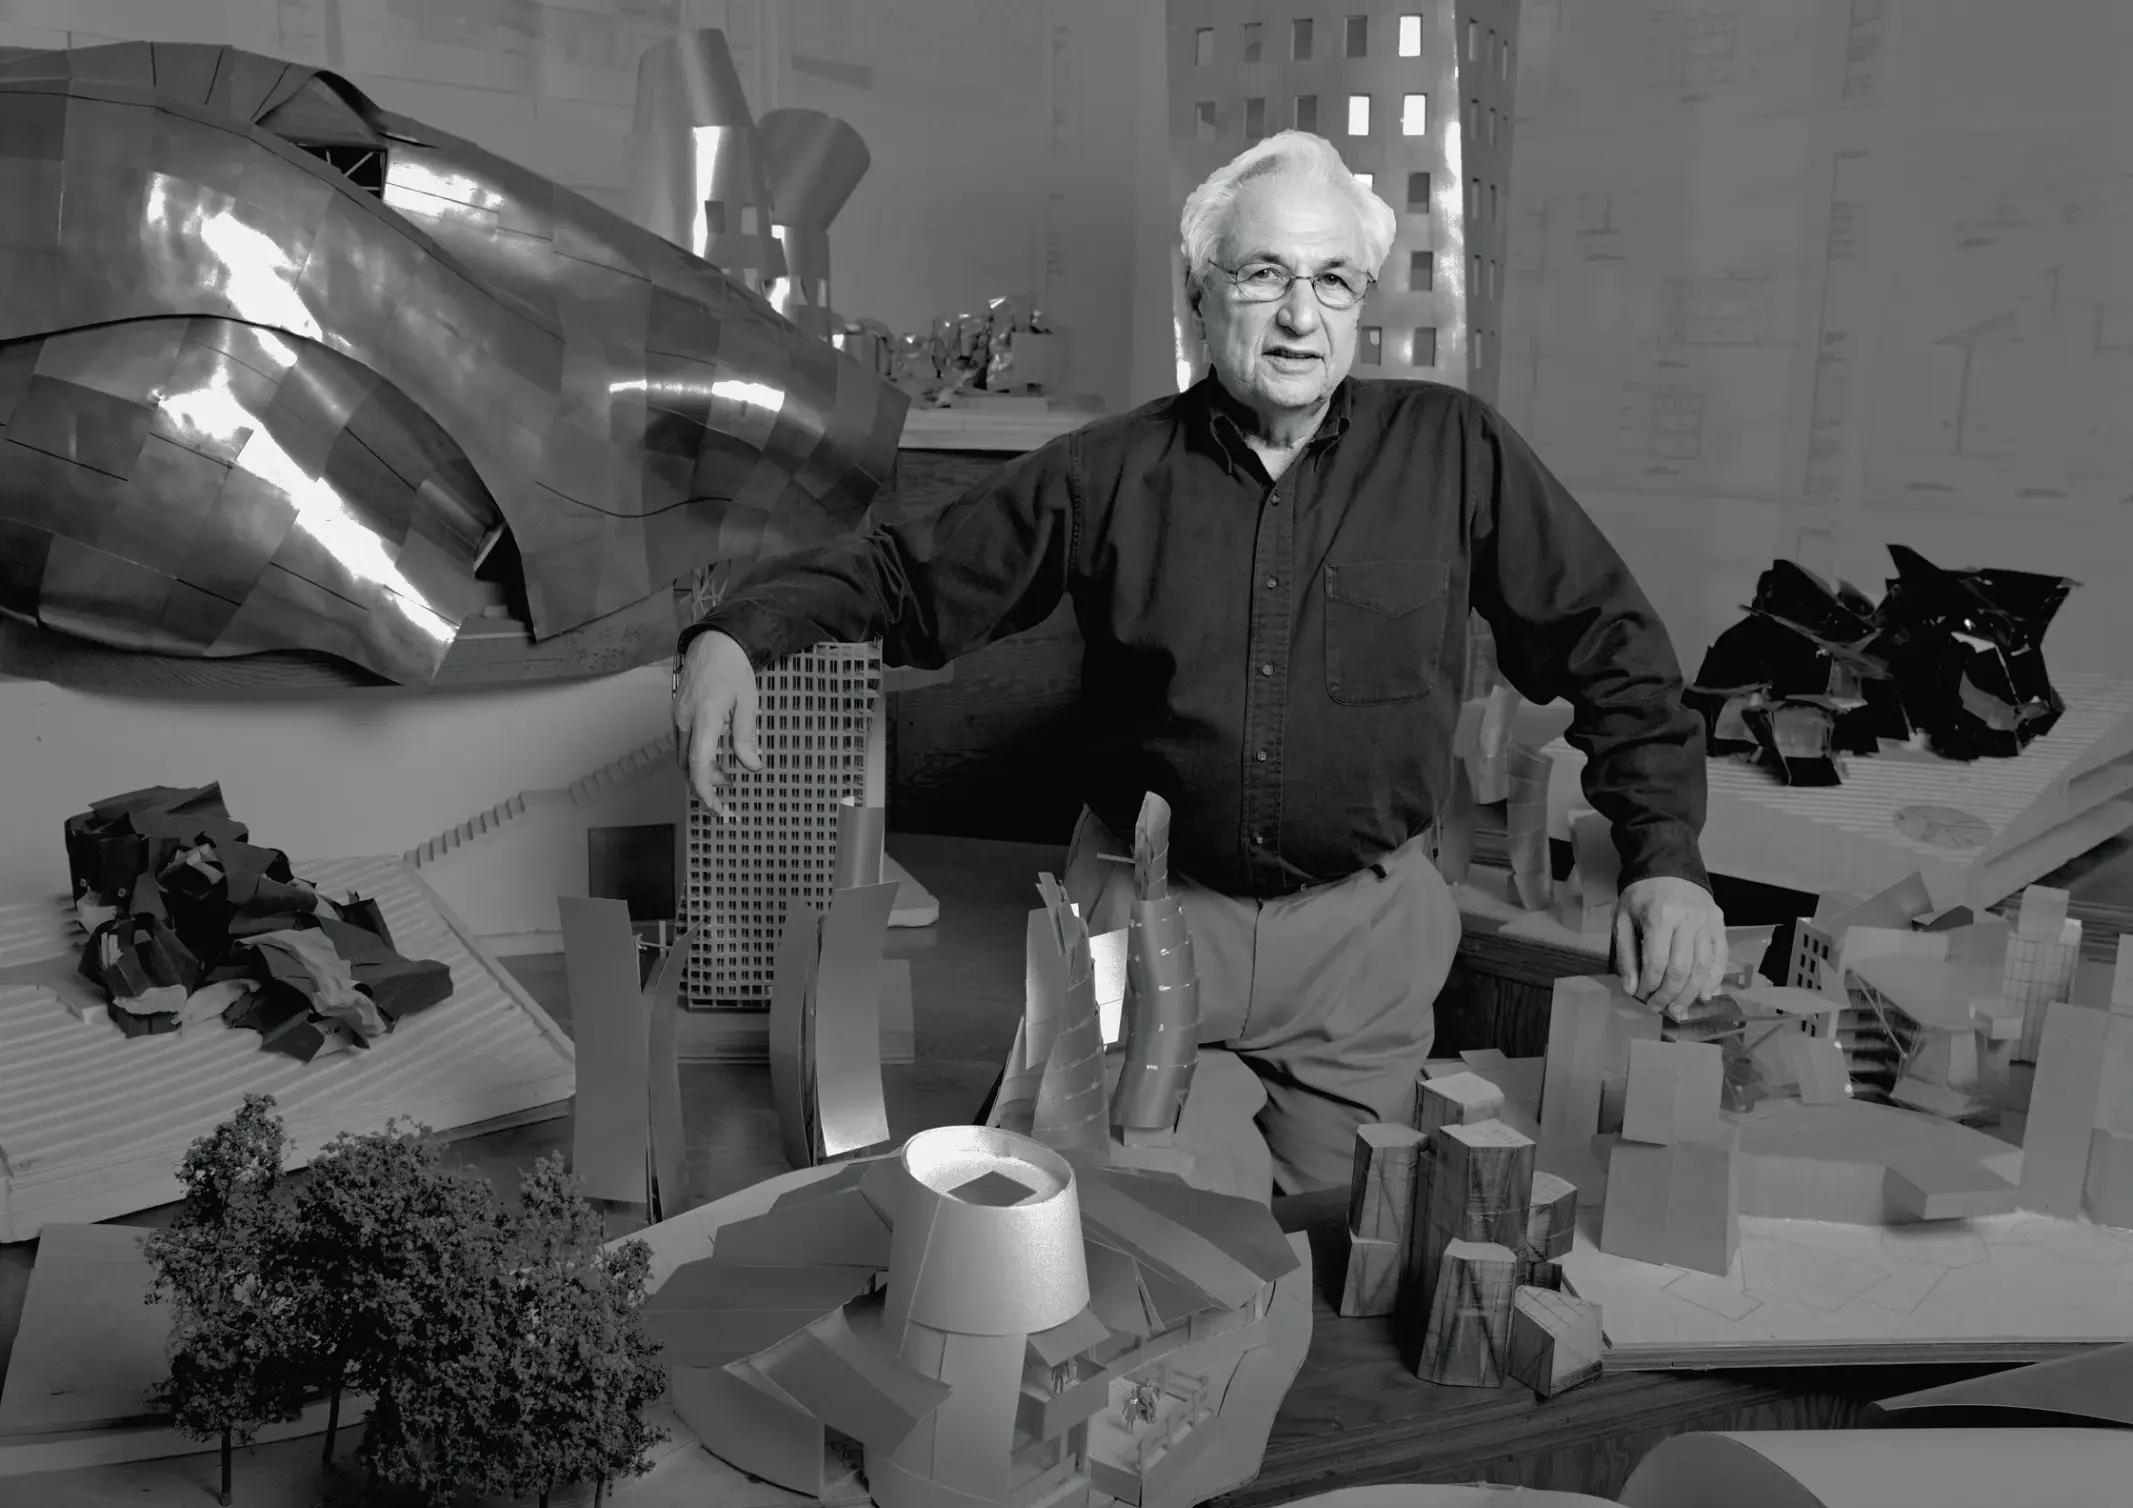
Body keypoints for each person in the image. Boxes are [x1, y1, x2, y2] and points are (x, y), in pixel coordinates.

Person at [674, 130, 1727, 1195]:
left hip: (1361, 948)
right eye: (1265, 273)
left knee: (1340, 1242)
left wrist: (1665, 859)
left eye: (1333, 280)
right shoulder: (1107, 471)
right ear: (1201, 292)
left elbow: (1607, 638)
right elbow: (913, 577)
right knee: (1117, 1236)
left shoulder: (1453, 450)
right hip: (1149, 921)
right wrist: (738, 631)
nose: (1301, 315)